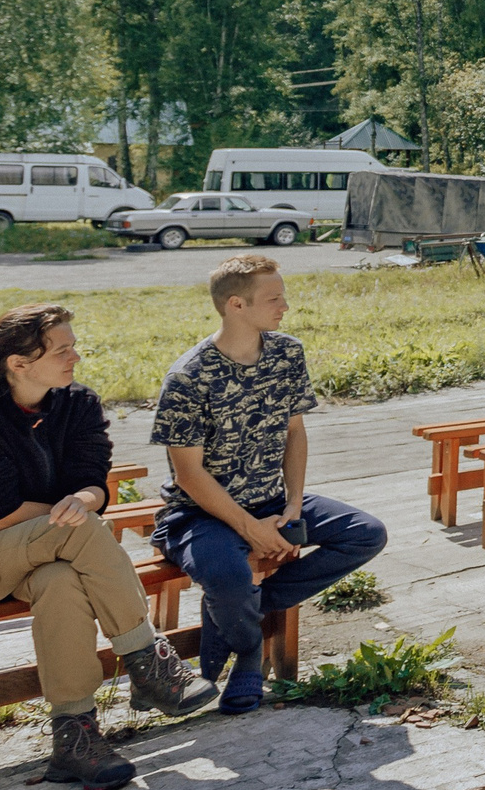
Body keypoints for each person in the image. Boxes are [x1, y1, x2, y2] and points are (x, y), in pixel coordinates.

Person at [0, 304, 216, 790]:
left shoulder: (77, 404)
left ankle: (74, 737)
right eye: (62, 350)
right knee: (79, 530)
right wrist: (73, 517)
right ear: (19, 364)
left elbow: (91, 482)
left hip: (33, 555)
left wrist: (83, 499)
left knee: (61, 580)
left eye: (72, 346)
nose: (75, 357)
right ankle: (146, 659)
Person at [151, 255, 388, 714]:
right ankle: (248, 651)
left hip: (273, 500)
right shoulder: (187, 377)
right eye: (274, 297)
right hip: (199, 513)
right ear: (236, 304)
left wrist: (294, 504)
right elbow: (189, 475)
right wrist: (249, 528)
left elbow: (294, 431)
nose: (285, 305)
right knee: (227, 574)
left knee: (366, 533)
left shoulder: (286, 352)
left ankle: (243, 613)